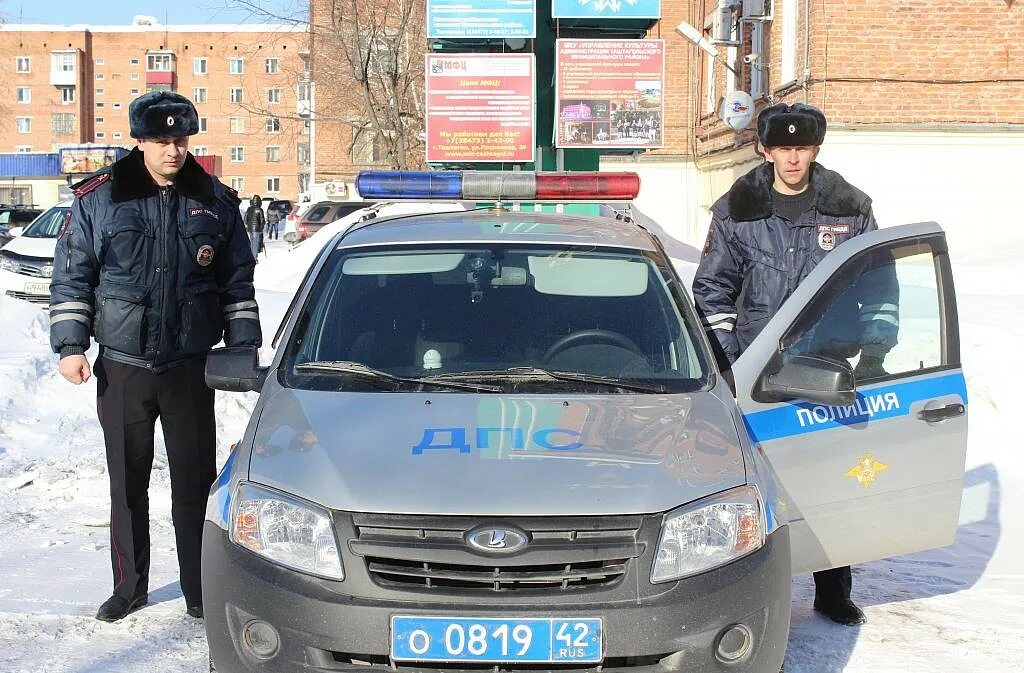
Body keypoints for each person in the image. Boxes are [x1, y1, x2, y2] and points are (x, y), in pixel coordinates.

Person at [48, 91, 262, 623]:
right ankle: (130, 587)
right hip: (123, 366)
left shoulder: (214, 200)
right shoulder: (101, 198)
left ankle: (197, 588)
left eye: (182, 140)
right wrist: (71, 345)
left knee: (194, 483)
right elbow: (74, 275)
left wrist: (241, 346)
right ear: (139, 141)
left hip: (189, 367)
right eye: (163, 141)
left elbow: (237, 279)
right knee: (127, 482)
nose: (174, 151)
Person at [692, 102, 897, 627]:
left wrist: (874, 352)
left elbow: (876, 281)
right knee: (763, 478)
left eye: (801, 148)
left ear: (815, 150)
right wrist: (730, 357)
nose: (792, 159)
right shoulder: (736, 210)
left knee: (832, 475)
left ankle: (833, 589)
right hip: (756, 366)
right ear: (765, 149)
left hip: (827, 362)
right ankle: (760, 586)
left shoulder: (849, 209)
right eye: (782, 148)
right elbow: (714, 286)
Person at [244, 194, 266, 259]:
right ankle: (254, 258)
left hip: (250, 228)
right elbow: (262, 221)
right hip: (257, 229)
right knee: (255, 244)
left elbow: (245, 219)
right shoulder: (259, 209)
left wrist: (247, 226)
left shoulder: (249, 209)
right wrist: (261, 228)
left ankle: (251, 257)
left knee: (251, 243)